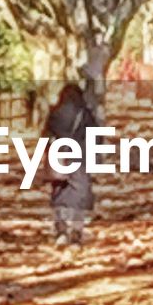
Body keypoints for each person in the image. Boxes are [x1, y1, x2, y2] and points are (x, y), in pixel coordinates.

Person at [42, 82, 96, 245]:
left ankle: (61, 230)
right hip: (80, 159)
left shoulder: (55, 112)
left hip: (59, 158)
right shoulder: (86, 114)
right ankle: (77, 231)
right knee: (80, 196)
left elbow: (45, 136)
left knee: (59, 195)